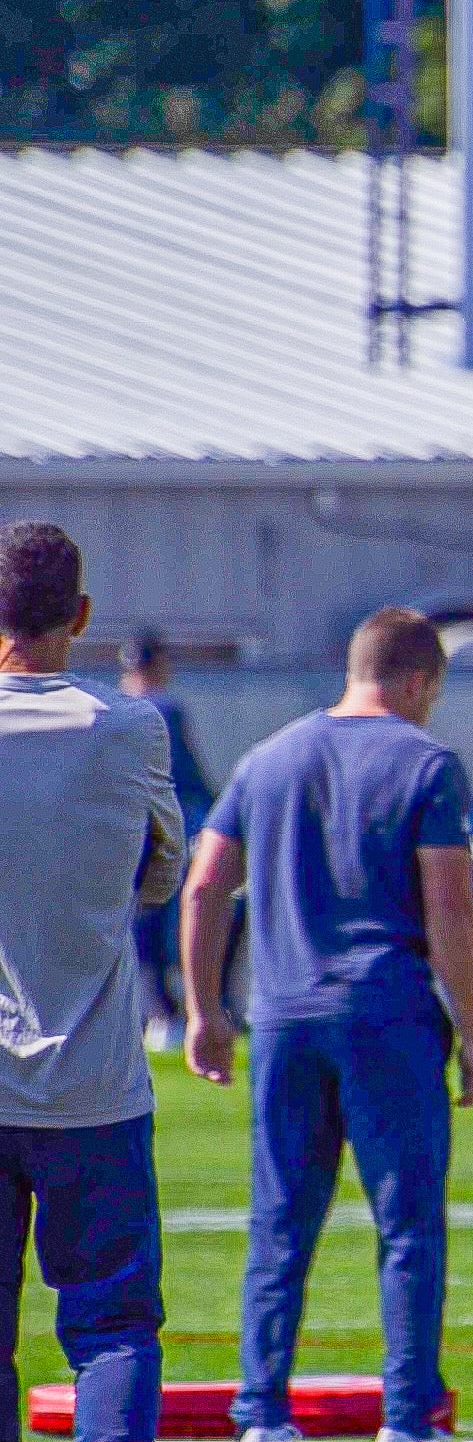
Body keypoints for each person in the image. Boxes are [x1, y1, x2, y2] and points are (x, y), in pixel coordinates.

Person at [180, 607, 473, 1442]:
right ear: (420, 680)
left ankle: (260, 1413)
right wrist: (471, 1030)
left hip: (283, 1018)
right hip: (386, 1014)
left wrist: (204, 1009)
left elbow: (207, 884)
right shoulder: (427, 763)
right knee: (408, 1232)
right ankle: (404, 1420)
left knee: (280, 1225)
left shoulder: (268, 758)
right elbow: (452, 906)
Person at [0, 522, 184, 1442]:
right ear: (81, 616)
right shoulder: (129, 727)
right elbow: (161, 871)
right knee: (112, 1332)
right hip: (94, 1084)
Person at [119, 630, 217, 1046]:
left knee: (138, 928)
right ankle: (170, 1012)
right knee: (169, 922)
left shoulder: (115, 707)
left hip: (122, 834)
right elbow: (186, 778)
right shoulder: (165, 710)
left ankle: (154, 1010)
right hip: (160, 833)